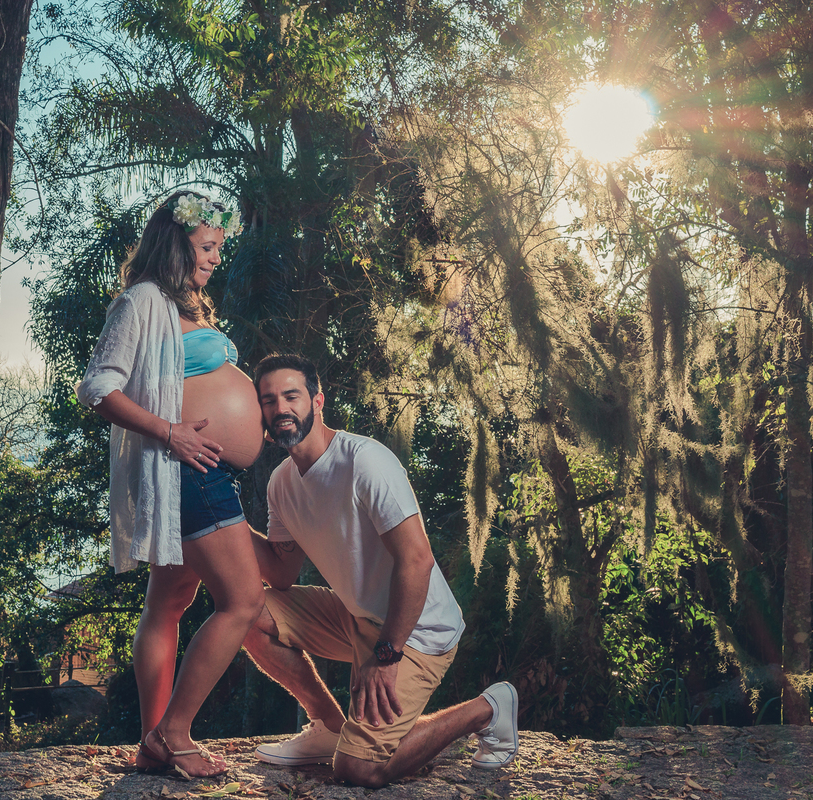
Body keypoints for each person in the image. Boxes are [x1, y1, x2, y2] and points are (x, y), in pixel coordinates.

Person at [243, 354, 521, 788]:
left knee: (358, 771)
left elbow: (418, 560)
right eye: (269, 400)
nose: (281, 409)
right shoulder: (280, 482)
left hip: (415, 632)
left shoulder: (364, 462)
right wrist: (224, 521)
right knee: (244, 609)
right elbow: (279, 574)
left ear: (318, 401)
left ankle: (489, 707)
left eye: (291, 396)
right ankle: (329, 728)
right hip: (355, 618)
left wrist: (386, 657)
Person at [76, 191, 265, 778]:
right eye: (207, 247)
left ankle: (151, 743)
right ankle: (175, 733)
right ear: (177, 241)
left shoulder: (189, 308)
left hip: (201, 470)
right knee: (242, 601)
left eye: (218, 249)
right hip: (186, 468)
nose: (215, 259)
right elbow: (99, 387)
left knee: (168, 605)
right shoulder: (140, 301)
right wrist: (172, 434)